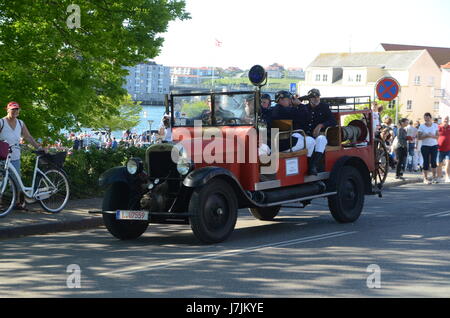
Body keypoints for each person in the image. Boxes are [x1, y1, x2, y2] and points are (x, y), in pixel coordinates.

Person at [0, 102, 44, 210]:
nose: (15, 111)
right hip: (2, 156)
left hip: (15, 156)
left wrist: (38, 147)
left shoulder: (20, 123)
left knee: (16, 181)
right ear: (7, 110)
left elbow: (28, 137)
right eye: (12, 109)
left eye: (17, 109)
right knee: (1, 180)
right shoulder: (1, 122)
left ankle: (19, 203)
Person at [265, 90, 315, 157]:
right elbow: (306, 116)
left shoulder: (273, 109)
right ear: (281, 100)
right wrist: (299, 104)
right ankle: (309, 165)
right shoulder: (287, 110)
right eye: (288, 99)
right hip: (284, 145)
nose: (290, 101)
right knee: (311, 141)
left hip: (273, 143)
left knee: (297, 135)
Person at [302, 88, 337, 175]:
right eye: (314, 97)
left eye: (318, 96)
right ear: (309, 99)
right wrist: (304, 133)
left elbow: (333, 121)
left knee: (321, 139)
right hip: (307, 135)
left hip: (319, 135)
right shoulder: (305, 108)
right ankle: (307, 165)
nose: (316, 99)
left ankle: (313, 165)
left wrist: (321, 125)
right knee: (309, 142)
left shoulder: (324, 107)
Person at [418, 112, 439, 184]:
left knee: (433, 162)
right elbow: (419, 137)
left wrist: (432, 136)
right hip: (425, 146)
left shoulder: (435, 125)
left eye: (428, 119)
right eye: (425, 119)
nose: (426, 120)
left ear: (430, 118)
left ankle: (434, 178)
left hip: (434, 146)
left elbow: (437, 136)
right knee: (426, 162)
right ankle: (425, 179)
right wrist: (426, 136)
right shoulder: (421, 126)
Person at [437, 115, 450, 182]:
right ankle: (439, 177)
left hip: (448, 149)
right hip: (439, 149)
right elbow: (435, 136)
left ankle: (447, 177)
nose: (446, 120)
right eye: (445, 119)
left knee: (448, 163)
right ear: (442, 120)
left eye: (447, 119)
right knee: (439, 164)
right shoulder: (438, 127)